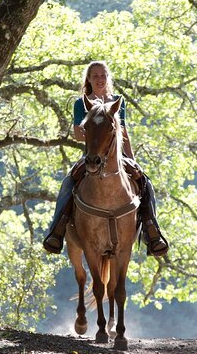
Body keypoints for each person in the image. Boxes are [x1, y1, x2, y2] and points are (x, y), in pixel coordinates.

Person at [43, 61, 169, 257]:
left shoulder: (118, 101)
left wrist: (133, 160)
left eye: (103, 75)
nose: (100, 79)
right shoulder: (81, 103)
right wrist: (97, 132)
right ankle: (56, 230)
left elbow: (124, 133)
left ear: (107, 78)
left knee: (145, 183)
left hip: (117, 156)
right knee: (68, 183)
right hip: (92, 155)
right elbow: (77, 134)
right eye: (95, 76)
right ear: (89, 79)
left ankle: (152, 231)